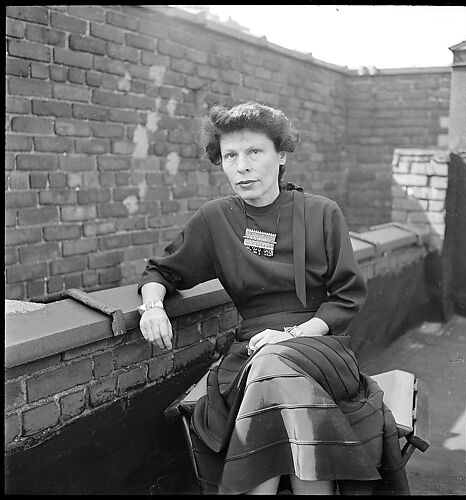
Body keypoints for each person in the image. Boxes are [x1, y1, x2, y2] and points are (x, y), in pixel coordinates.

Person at [137, 102, 409, 495]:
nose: (242, 166)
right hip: (251, 353)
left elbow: (348, 295)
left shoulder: (322, 213)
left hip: (321, 347)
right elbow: (162, 271)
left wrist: (293, 335)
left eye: (254, 152)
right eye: (230, 155)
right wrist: (153, 307)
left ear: (281, 155)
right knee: (270, 369)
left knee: (272, 364)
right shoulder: (215, 219)